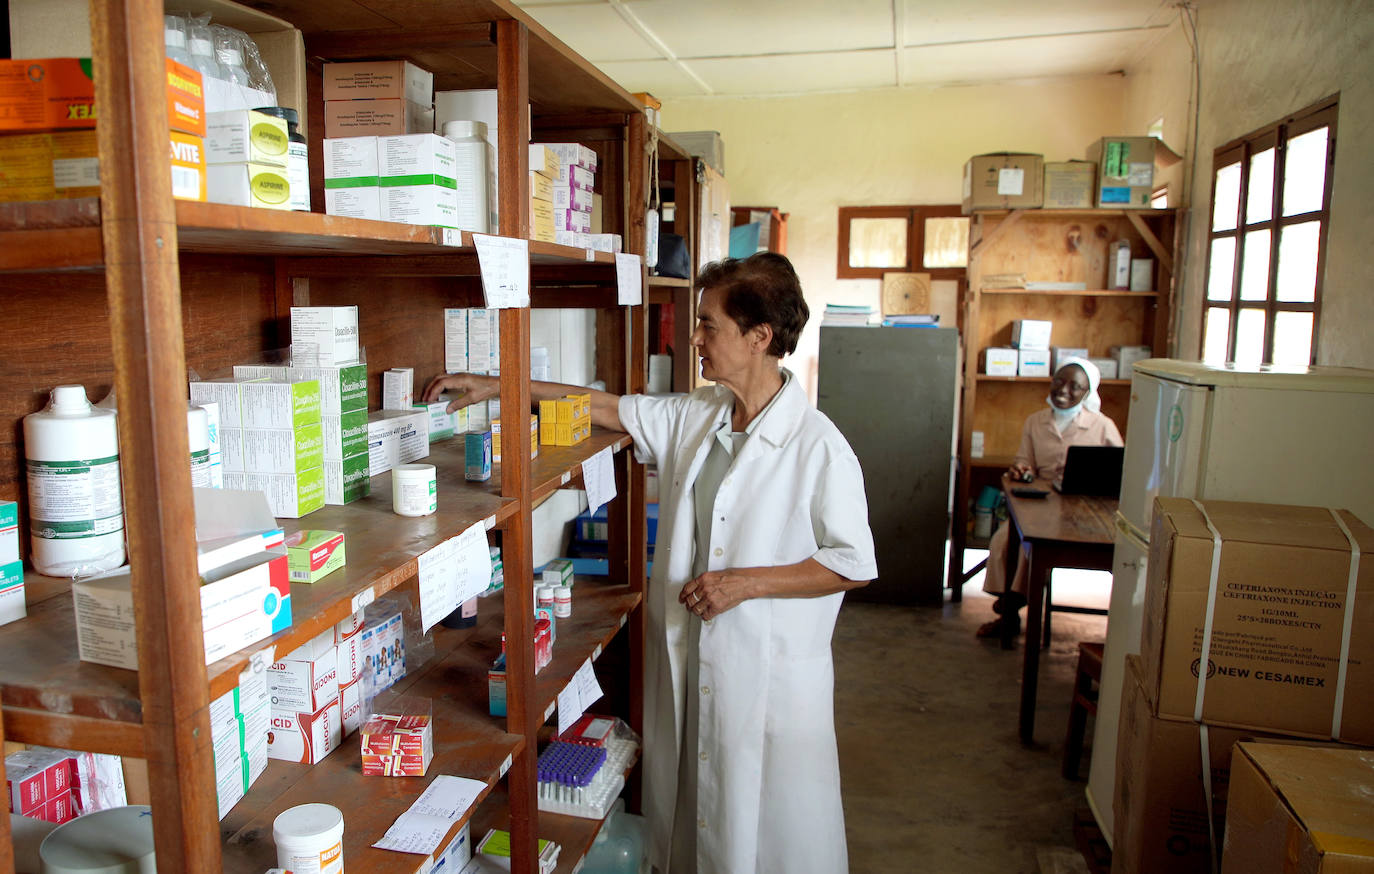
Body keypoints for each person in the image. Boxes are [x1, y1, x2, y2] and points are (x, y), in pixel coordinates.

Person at [423, 252, 877, 874]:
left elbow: (853, 563)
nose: (694, 339)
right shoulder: (701, 415)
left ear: (759, 336)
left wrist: (746, 584)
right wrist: (499, 386)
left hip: (766, 680)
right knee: (699, 825)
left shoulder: (819, 446)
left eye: (708, 325)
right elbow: (603, 406)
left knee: (771, 835)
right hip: (693, 663)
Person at [977, 358, 1123, 639]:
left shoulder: (1102, 426)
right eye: (1059, 380)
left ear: (1087, 393)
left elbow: (1121, 469)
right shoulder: (1036, 421)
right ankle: (1011, 604)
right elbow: (1023, 461)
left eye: (1075, 386)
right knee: (1005, 541)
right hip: (1041, 504)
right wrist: (1023, 470)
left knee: (1036, 549)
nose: (1064, 390)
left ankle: (1012, 606)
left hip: (1085, 510)